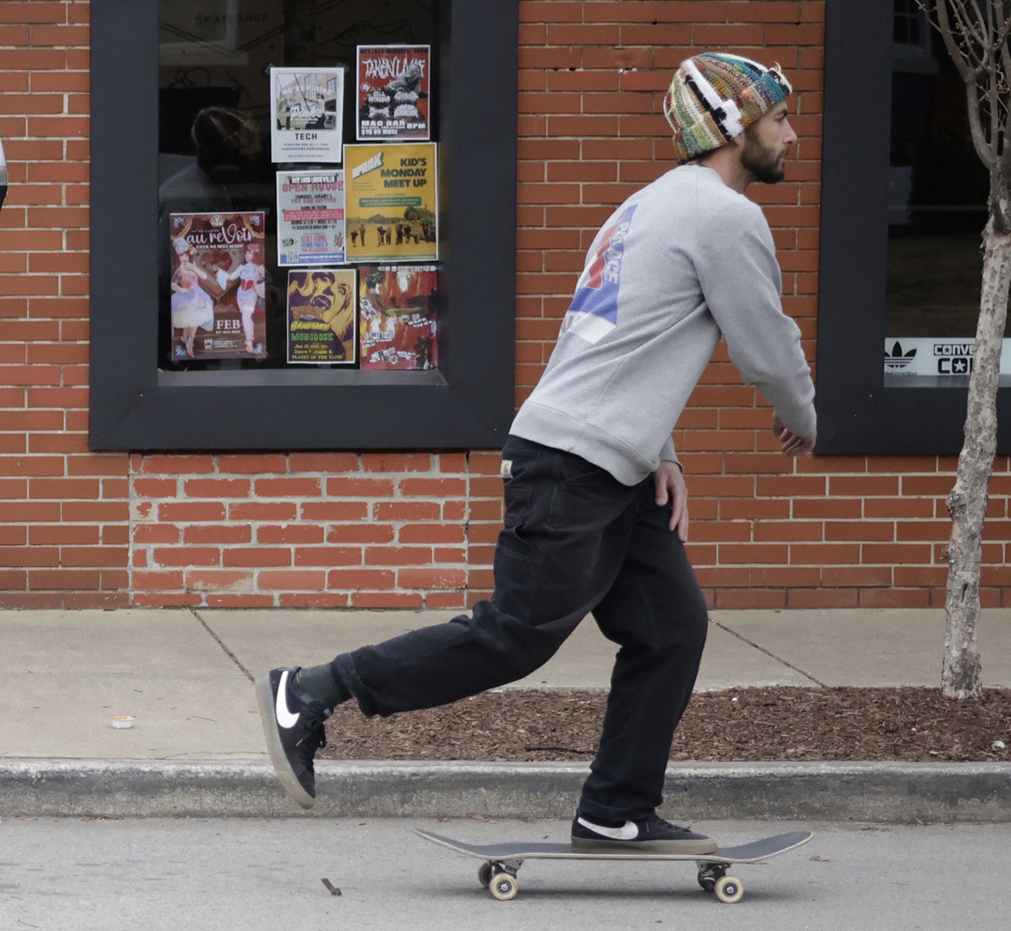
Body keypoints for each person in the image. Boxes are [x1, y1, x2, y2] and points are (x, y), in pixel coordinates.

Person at [258, 54, 819, 849]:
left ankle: (615, 808)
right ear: (732, 128)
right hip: (576, 465)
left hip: (609, 462)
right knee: (514, 636)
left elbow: (614, 346)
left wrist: (663, 450)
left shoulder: (649, 207)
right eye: (779, 119)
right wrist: (806, 414)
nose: (793, 134)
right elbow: (767, 347)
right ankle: (313, 689)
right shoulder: (726, 217)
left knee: (671, 626)